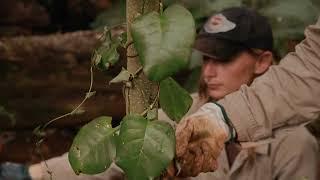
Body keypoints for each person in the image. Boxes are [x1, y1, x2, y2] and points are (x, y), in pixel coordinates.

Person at [175, 7, 320, 179]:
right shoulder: (181, 114)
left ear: (262, 61)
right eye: (206, 58)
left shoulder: (294, 145)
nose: (208, 72)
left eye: (223, 59)